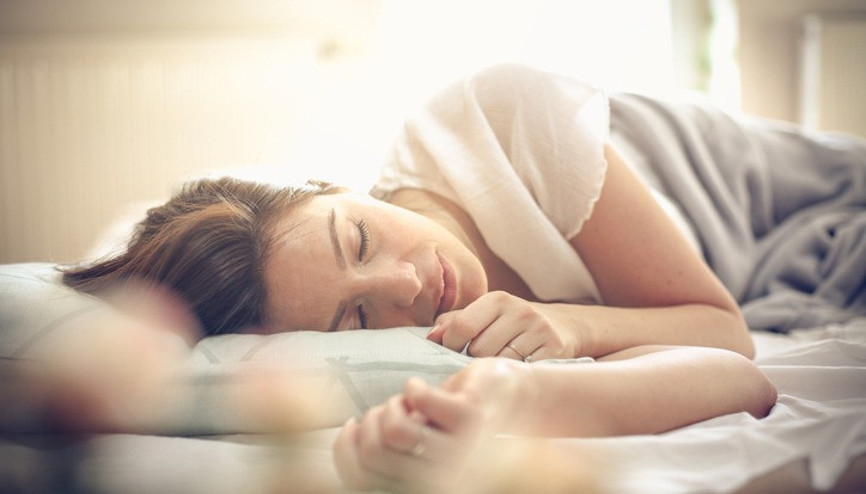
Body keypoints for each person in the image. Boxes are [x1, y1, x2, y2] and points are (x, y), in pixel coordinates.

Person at [62, 63, 777, 492]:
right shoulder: (438, 344)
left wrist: (575, 322)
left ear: (333, 183)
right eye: (360, 320)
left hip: (766, 196)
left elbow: (725, 332)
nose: (404, 289)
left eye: (361, 239)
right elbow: (718, 374)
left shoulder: (503, 116)